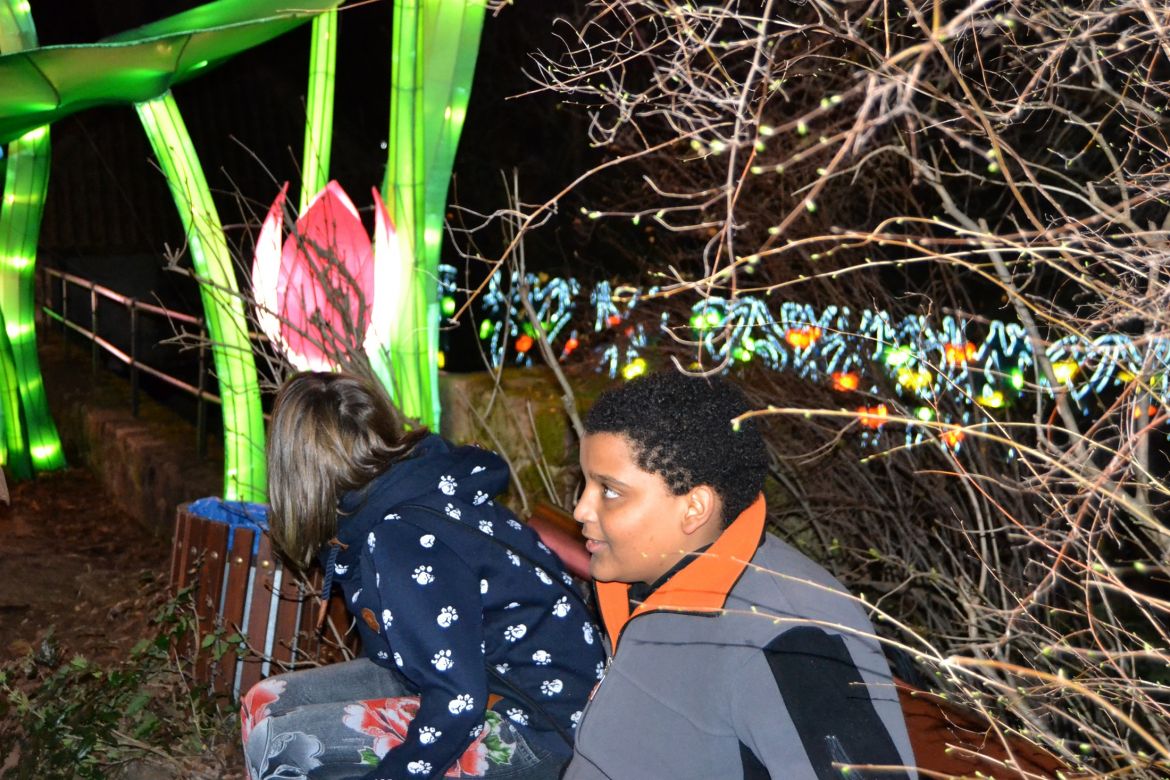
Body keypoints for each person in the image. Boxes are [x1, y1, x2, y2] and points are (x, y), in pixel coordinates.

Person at [242, 371, 605, 780]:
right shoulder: (390, 497)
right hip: (474, 678)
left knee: (282, 740)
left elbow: (458, 703)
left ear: (296, 474)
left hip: (536, 724)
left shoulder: (400, 537)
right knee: (264, 702)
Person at [565, 370, 917, 779]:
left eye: (609, 491)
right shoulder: (641, 579)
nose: (581, 510)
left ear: (694, 508)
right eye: (586, 484)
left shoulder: (789, 639)